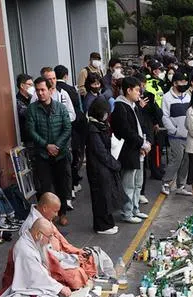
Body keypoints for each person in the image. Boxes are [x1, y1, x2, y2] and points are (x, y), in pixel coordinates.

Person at [26, 78, 73, 225]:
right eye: (37, 90)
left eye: (43, 90)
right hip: (42, 154)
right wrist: (47, 146)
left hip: (60, 154)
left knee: (62, 185)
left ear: (50, 90)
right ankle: (47, 217)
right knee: (45, 187)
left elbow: (67, 128)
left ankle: (62, 213)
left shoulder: (61, 108)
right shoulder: (32, 109)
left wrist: (56, 146)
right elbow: (31, 131)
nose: (40, 93)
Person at [111, 77, 151, 224]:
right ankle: (126, 212)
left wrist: (145, 143)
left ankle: (135, 208)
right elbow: (126, 131)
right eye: (137, 90)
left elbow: (142, 125)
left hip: (139, 150)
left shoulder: (134, 106)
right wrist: (142, 143)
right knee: (128, 184)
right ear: (128, 90)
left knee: (138, 183)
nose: (139, 93)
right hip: (128, 151)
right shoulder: (120, 107)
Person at [83, 99, 124, 235]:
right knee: (101, 197)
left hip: (103, 168)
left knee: (106, 196)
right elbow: (100, 152)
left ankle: (108, 223)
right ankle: (102, 226)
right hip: (98, 169)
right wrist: (115, 164)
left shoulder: (99, 126)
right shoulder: (93, 130)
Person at [161, 70, 193, 196]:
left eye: (185, 82)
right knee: (177, 159)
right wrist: (173, 130)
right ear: (174, 83)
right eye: (181, 82)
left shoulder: (188, 96)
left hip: (188, 135)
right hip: (175, 136)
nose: (184, 84)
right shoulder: (167, 97)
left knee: (186, 160)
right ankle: (166, 182)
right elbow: (165, 116)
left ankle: (181, 185)